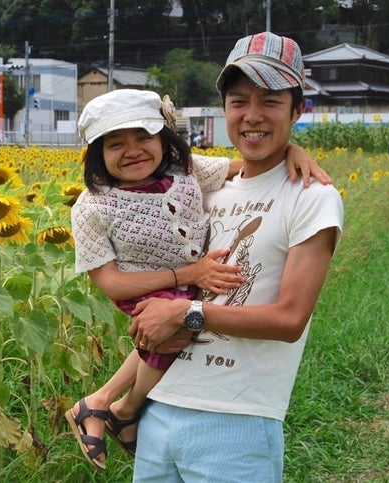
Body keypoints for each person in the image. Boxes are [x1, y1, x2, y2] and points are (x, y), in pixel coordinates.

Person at [65, 88, 330, 471]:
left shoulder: (186, 173)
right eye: (115, 144)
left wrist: (292, 151)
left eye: (144, 137)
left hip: (191, 301)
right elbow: (110, 283)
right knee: (172, 331)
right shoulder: (93, 205)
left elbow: (242, 166)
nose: (133, 150)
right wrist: (188, 276)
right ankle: (125, 407)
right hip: (142, 285)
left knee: (174, 323)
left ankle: (106, 402)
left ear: (163, 140)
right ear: (98, 155)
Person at [129, 32, 344, 482]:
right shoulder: (204, 187)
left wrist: (185, 314)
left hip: (237, 420)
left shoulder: (312, 197)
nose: (252, 116)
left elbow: (289, 321)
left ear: (297, 110)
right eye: (239, 101)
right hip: (159, 407)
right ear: (224, 108)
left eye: (270, 102)